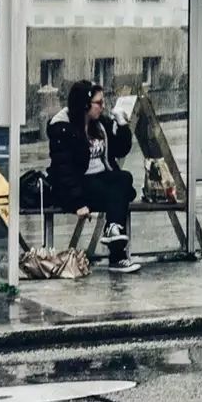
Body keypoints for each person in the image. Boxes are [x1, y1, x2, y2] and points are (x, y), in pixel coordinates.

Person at [47, 81, 140, 273]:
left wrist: (122, 126)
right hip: (75, 187)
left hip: (99, 181)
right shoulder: (63, 128)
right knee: (119, 193)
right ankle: (117, 257)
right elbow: (64, 169)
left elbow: (121, 149)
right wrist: (78, 203)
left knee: (124, 179)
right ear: (85, 105)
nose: (103, 106)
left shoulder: (101, 124)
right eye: (99, 102)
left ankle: (113, 229)